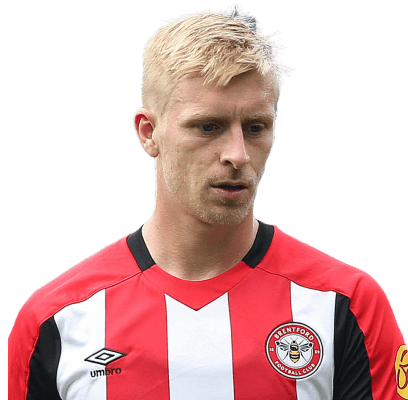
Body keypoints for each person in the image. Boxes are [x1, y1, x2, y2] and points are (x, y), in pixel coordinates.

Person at [8, 5, 406, 400]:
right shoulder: (55, 319)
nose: (238, 154)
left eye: (256, 127)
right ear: (148, 133)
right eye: (208, 126)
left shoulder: (346, 304)